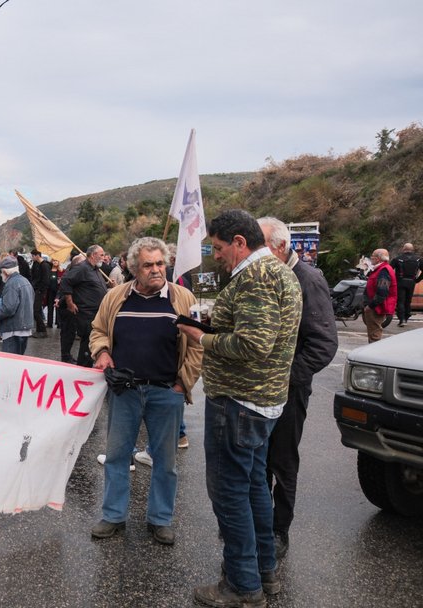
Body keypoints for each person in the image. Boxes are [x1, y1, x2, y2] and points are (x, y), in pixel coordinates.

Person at [176, 209, 301, 607]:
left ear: (240, 242)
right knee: (253, 488)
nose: (216, 256)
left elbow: (253, 345)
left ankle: (243, 586)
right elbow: (260, 333)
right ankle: (264, 571)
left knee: (230, 492)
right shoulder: (279, 272)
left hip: (239, 403)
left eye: (218, 247)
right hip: (261, 402)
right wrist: (217, 323)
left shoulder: (255, 277)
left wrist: (200, 337)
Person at [88, 237, 202, 546]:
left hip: (166, 392)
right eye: (148, 265)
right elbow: (98, 331)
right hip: (124, 391)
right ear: (134, 268)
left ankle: (160, 519)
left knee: (165, 462)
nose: (156, 270)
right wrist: (102, 352)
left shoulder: (183, 298)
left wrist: (182, 384)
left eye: (160, 264)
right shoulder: (116, 297)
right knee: (116, 456)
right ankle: (113, 515)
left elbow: (197, 344)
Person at [258, 217, 338, 559]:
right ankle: (260, 524)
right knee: (258, 460)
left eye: (261, 245)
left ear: (280, 246)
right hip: (259, 389)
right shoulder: (266, 275)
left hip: (289, 389)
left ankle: (279, 530)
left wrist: (286, 377)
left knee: (282, 460)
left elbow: (324, 344)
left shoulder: (308, 278)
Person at [59, 245, 108, 366]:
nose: (104, 257)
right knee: (87, 342)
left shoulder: (95, 269)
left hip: (96, 313)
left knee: (90, 342)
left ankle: (86, 365)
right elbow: (66, 281)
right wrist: (70, 303)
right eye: (101, 255)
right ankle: (83, 368)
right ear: (93, 255)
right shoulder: (82, 268)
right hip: (86, 313)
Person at [0, 257, 34, 354]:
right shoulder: (25, 281)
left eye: (1, 272)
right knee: (18, 358)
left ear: (5, 272)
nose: (1, 275)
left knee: (9, 360)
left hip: (13, 329)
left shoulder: (11, 284)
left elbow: (9, 308)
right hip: (24, 327)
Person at [362, 248, 397, 343]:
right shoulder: (380, 269)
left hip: (377, 308)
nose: (371, 258)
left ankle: (373, 352)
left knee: (374, 335)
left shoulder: (383, 271)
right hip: (376, 306)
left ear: (378, 259)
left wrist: (370, 306)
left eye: (372, 256)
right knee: (373, 333)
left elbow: (382, 292)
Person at [57, 253, 85, 363]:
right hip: (67, 308)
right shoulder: (71, 274)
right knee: (67, 333)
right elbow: (65, 289)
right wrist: (62, 300)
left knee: (71, 333)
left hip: (70, 307)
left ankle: (67, 354)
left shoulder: (73, 273)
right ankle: (65, 356)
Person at [392, 242, 422, 327]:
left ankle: (402, 319)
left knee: (400, 301)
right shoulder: (418, 259)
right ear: (412, 249)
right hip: (411, 282)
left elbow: (389, 270)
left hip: (400, 282)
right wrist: (418, 279)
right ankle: (406, 317)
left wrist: (393, 280)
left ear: (403, 249)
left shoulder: (397, 259)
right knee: (408, 301)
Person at [29, 249, 50, 338]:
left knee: (36, 311)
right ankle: (39, 330)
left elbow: (46, 280)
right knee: (37, 310)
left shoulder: (45, 265)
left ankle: (43, 330)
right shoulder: (36, 264)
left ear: (37, 255)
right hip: (35, 289)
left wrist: (41, 290)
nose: (31, 258)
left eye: (32, 256)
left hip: (40, 291)